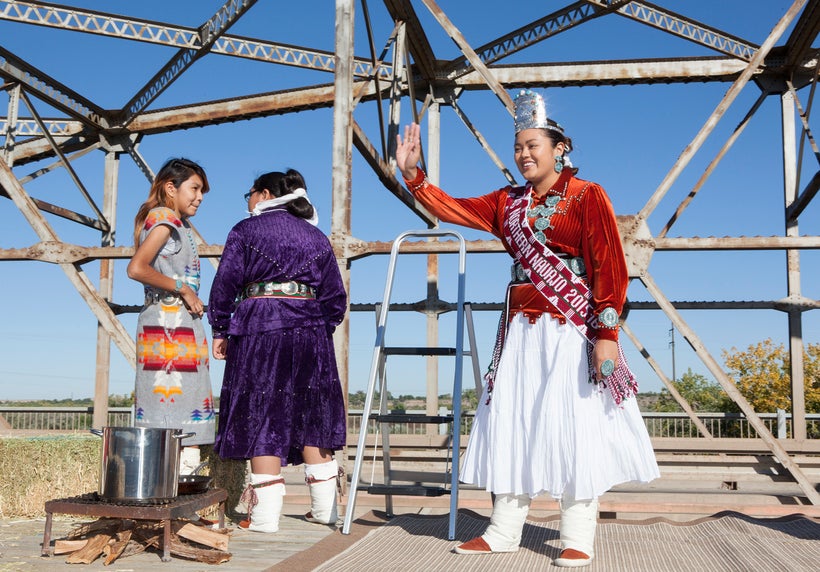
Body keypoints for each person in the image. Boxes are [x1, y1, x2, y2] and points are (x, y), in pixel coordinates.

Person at [395, 90, 660, 568]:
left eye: (533, 145)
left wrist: (607, 334)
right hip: (520, 330)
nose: (524, 154)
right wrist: (415, 175)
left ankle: (577, 534)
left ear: (559, 147)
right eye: (518, 147)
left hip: (570, 327)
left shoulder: (587, 195)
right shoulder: (506, 203)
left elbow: (608, 265)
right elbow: (453, 209)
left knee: (575, 425)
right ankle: (502, 529)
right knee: (512, 421)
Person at [207, 169, 347, 533]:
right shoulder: (316, 236)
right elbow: (335, 299)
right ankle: (325, 511)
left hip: (260, 327)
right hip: (311, 329)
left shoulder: (245, 230)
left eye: (249, 194)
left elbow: (225, 286)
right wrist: (316, 327)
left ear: (264, 193)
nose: (248, 201)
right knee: (314, 413)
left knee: (262, 412)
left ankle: (266, 518)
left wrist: (221, 328)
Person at [127, 157, 216, 475]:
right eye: (194, 188)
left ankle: (171, 500)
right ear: (170, 187)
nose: (200, 196)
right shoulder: (165, 220)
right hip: (169, 327)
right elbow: (137, 268)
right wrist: (183, 288)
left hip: (171, 327)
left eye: (202, 191)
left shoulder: (174, 222)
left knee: (174, 418)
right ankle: (176, 503)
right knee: (180, 419)